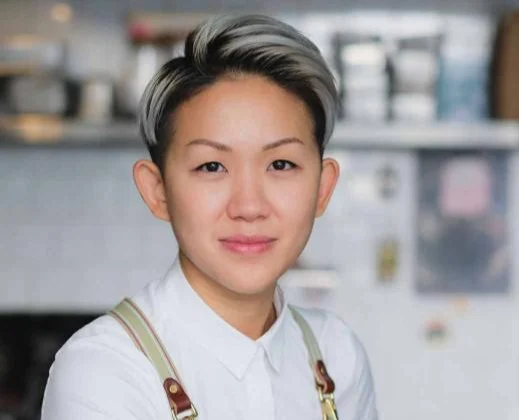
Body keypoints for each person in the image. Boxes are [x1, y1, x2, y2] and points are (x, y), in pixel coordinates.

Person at [41, 14, 378, 420]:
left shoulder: (336, 356)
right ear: (158, 191)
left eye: (282, 164)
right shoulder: (105, 372)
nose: (249, 206)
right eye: (212, 167)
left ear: (323, 189)